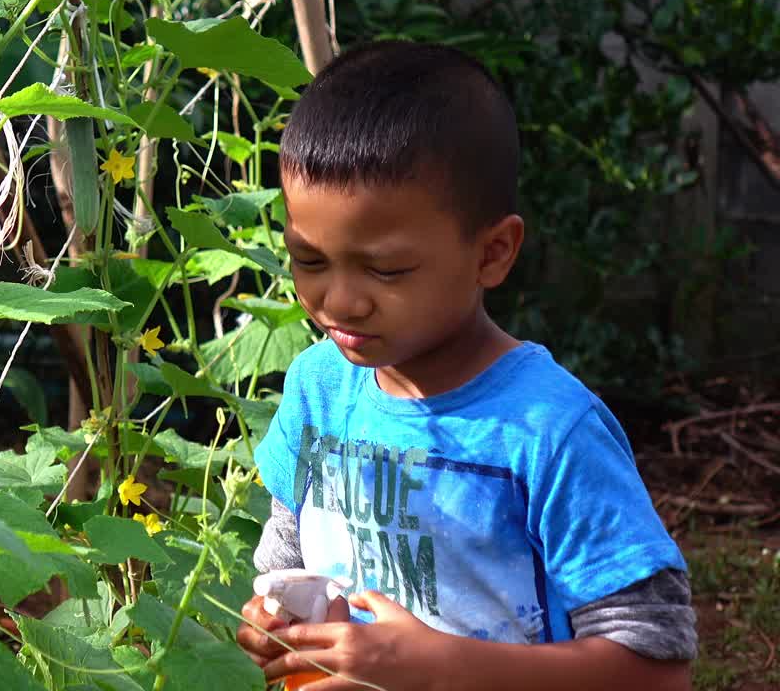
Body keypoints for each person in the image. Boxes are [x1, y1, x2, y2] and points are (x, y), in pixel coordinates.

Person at [236, 40, 697, 691]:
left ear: (493, 253)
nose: (338, 299)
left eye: (387, 269)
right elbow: (288, 553)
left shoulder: (549, 431)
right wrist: (274, 622)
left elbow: (658, 669)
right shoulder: (319, 389)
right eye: (309, 261)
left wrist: (434, 670)